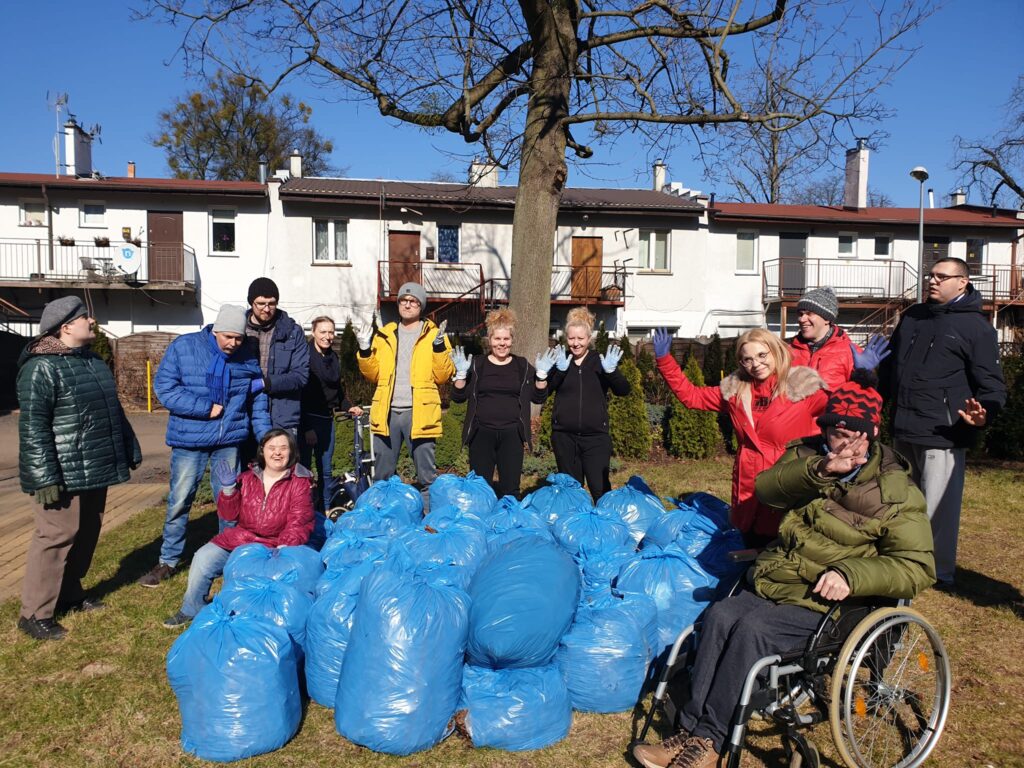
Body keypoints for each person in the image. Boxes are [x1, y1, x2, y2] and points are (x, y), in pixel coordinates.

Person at [633, 370, 935, 768]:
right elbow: (766, 489)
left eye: (849, 434)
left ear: (872, 432)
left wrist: (852, 575)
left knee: (752, 633)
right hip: (781, 578)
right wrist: (821, 471)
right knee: (721, 616)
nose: (838, 442)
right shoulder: (811, 457)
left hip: (832, 605)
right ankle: (689, 731)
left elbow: (917, 566)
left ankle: (710, 741)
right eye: (832, 430)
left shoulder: (896, 492)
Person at [16, 297, 142, 640]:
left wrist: (128, 447)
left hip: (94, 467)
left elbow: (112, 411)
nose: (92, 320)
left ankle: (70, 593)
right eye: (85, 316)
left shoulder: (92, 361)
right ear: (66, 326)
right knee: (56, 536)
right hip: (60, 473)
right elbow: (33, 428)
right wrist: (44, 477)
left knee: (87, 532)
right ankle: (34, 613)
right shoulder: (41, 367)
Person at [879, 257, 1006, 587]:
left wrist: (984, 414)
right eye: (930, 275)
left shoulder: (976, 328)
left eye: (941, 276)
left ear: (962, 282)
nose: (932, 281)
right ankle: (904, 558)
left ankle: (939, 573)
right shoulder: (913, 317)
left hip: (944, 432)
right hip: (904, 427)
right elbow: (889, 371)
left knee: (938, 509)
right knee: (901, 503)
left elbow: (992, 386)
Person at [138, 305, 272, 588]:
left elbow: (257, 397)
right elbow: (165, 388)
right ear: (215, 330)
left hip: (227, 443)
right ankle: (168, 560)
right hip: (190, 442)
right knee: (179, 500)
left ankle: (228, 557)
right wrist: (204, 408)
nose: (233, 343)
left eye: (238, 338)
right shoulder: (185, 348)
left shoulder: (246, 354)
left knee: (229, 503)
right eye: (228, 337)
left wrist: (265, 435)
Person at [654, 328, 828, 546]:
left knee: (787, 542)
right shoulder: (735, 392)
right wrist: (664, 360)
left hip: (786, 479)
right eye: (747, 359)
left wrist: (862, 379)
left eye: (762, 355)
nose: (756, 364)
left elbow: (843, 412)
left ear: (775, 352)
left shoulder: (803, 389)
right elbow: (692, 396)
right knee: (750, 540)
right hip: (748, 480)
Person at [162, 429, 314, 628]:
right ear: (263, 451)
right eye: (272, 448)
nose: (277, 453)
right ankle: (191, 608)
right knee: (203, 557)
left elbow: (299, 521)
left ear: (292, 451)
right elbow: (228, 515)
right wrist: (228, 490)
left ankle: (257, 618)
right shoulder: (247, 478)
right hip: (243, 539)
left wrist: (283, 547)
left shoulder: (300, 482)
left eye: (283, 448)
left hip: (276, 546)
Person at [356, 282, 454, 510]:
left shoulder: (434, 334)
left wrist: (439, 348)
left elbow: (443, 375)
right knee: (382, 475)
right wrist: (364, 350)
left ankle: (429, 521)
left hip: (419, 412)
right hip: (387, 412)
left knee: (427, 476)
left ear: (421, 306)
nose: (408, 305)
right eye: (403, 301)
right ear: (398, 304)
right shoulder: (385, 334)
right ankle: (383, 518)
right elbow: (373, 374)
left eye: (413, 301)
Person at [449, 308, 555, 497]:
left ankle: (509, 523)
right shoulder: (477, 364)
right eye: (497, 339)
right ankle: (483, 523)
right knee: (480, 489)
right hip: (481, 434)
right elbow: (458, 397)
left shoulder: (521, 365)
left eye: (506, 339)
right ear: (489, 340)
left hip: (512, 434)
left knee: (511, 488)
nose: (502, 344)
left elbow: (538, 398)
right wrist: (461, 375)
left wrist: (541, 377)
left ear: (512, 340)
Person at [546, 307, 630, 502]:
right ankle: (576, 529)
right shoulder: (561, 361)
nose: (575, 344)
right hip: (564, 437)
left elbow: (623, 390)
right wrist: (556, 372)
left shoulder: (600, 361)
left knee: (599, 488)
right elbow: (543, 393)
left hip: (595, 438)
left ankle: (606, 527)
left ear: (589, 338)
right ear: (566, 338)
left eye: (580, 339)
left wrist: (611, 372)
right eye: (571, 339)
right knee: (572, 492)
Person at [300, 315, 362, 546]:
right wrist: (306, 427)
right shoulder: (305, 357)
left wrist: (349, 406)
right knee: (305, 473)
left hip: (327, 420)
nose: (327, 336)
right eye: (323, 331)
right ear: (313, 333)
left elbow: (336, 394)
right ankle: (304, 514)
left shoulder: (333, 358)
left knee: (326, 471)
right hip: (308, 421)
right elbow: (301, 395)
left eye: (330, 332)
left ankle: (325, 510)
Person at [244, 277, 309, 433]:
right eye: (261, 303)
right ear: (251, 302)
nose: (266, 309)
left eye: (272, 303)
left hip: (282, 418)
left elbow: (301, 376)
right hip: (244, 414)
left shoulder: (293, 332)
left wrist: (266, 383)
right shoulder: (238, 330)